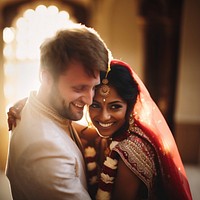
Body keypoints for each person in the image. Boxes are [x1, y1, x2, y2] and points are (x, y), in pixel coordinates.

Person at [7, 59, 192, 200]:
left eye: (115, 107)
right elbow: (68, 123)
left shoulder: (130, 152)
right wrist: (27, 105)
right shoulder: (112, 134)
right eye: (95, 105)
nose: (104, 117)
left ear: (130, 105)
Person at [6, 24, 110, 200]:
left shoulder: (34, 106)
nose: (89, 99)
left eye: (94, 87)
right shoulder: (46, 150)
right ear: (46, 78)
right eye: (79, 88)